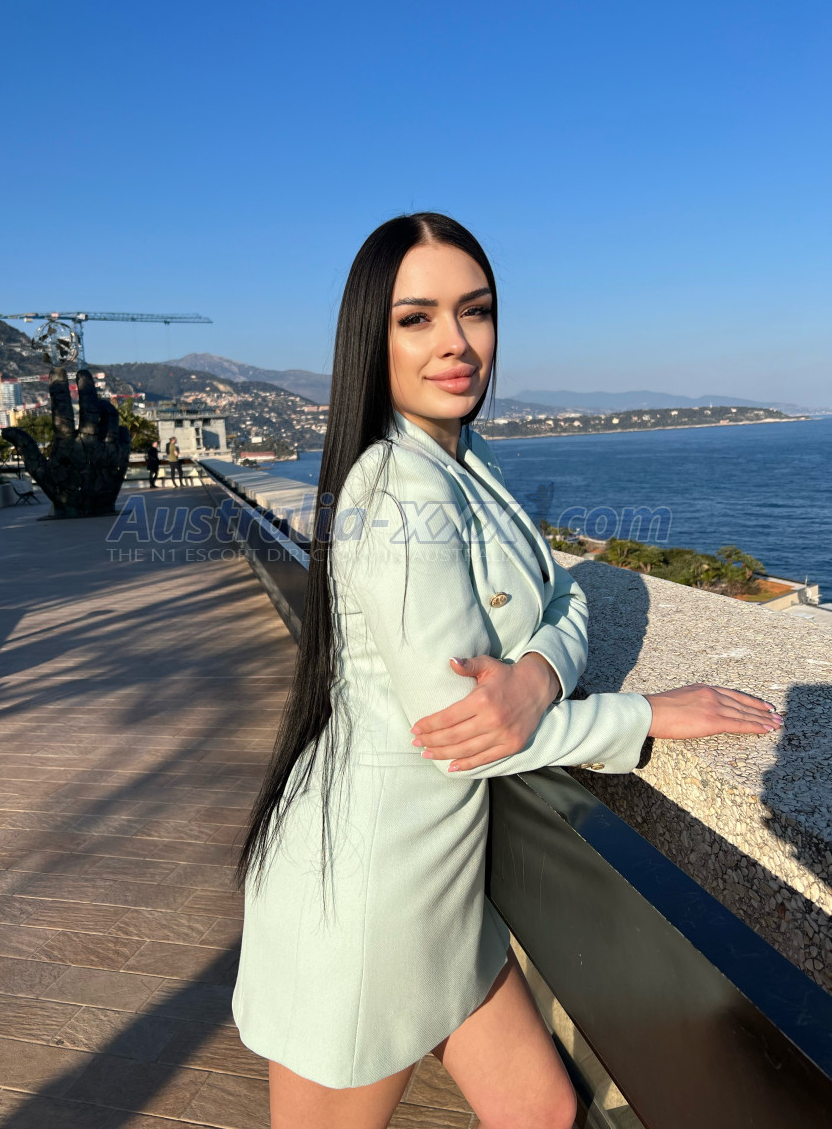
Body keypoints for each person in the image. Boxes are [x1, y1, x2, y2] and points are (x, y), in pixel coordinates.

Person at [231, 213, 779, 1129]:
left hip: (434, 878)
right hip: (369, 892)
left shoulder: (464, 459)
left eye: (475, 311)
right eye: (417, 318)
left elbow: (569, 599)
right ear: (372, 338)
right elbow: (467, 734)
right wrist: (644, 714)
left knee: (541, 1111)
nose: (456, 341)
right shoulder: (398, 486)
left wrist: (535, 678)